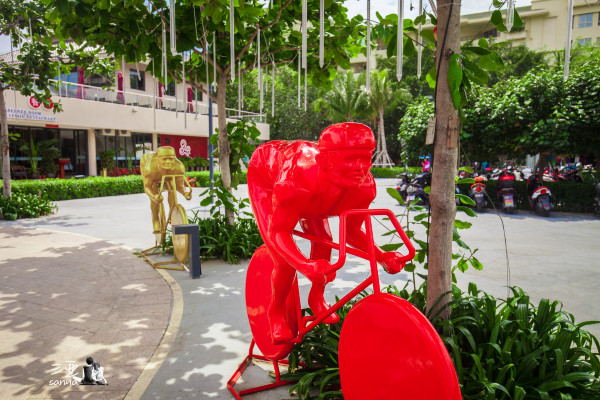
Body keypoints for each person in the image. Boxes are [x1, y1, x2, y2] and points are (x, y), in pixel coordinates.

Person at [247, 122, 407, 342]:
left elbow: (352, 232)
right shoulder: (296, 183)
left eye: (365, 158)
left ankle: (316, 298)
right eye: (350, 160)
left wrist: (381, 256)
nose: (360, 168)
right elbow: (279, 233)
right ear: (323, 161)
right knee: (285, 261)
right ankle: (275, 312)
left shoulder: (364, 185)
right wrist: (304, 265)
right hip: (266, 174)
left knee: (324, 241)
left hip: (316, 188)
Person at [140, 146, 192, 234]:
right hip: (148, 164)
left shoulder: (179, 167)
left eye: (171, 159)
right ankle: (155, 220)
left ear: (174, 159)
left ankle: (172, 215)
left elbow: (179, 185)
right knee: (154, 192)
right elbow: (147, 187)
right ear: (158, 159)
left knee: (172, 188)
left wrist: (185, 193)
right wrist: (153, 196)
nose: (168, 162)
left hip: (167, 174)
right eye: (164, 159)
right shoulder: (149, 169)